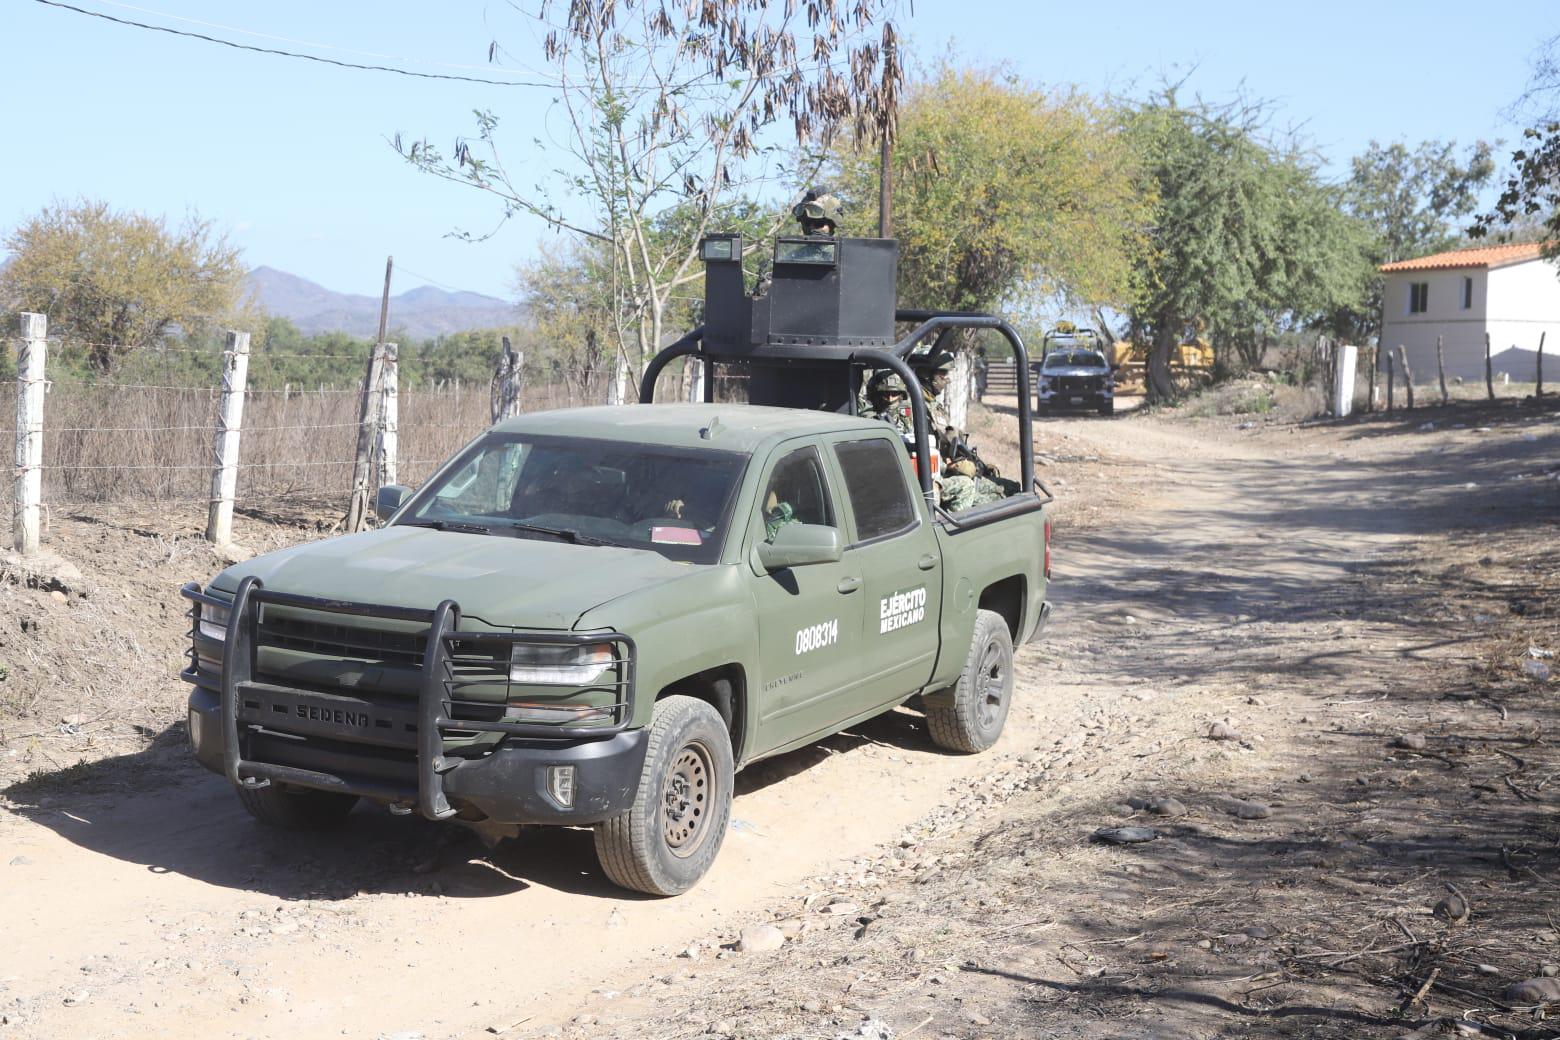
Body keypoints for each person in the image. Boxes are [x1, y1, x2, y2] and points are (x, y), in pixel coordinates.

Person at [862, 370, 913, 435]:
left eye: (894, 393)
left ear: (901, 394)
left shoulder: (906, 409)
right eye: (885, 393)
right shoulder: (869, 416)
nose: (890, 398)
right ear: (877, 394)